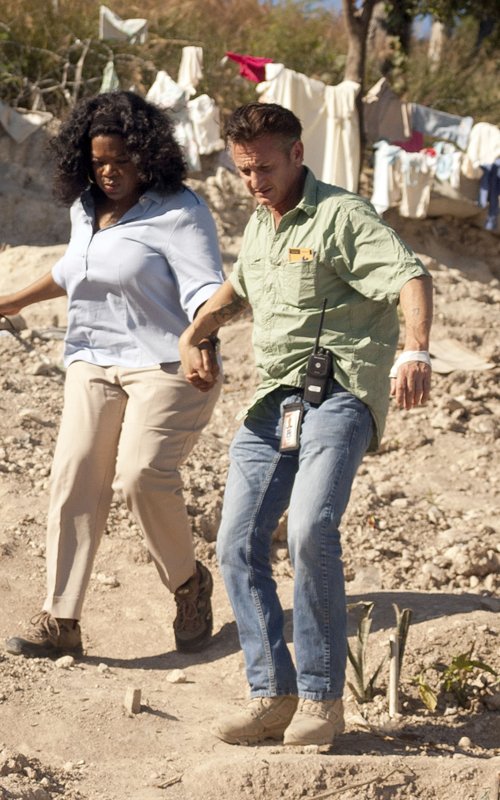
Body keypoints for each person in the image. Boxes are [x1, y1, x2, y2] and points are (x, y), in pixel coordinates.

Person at [178, 102, 433, 747]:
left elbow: (410, 275)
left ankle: (322, 698)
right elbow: (237, 289)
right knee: (236, 543)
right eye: (243, 170)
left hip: (338, 394)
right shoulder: (260, 224)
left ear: (297, 153)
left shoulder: (342, 216)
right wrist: (195, 334)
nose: (254, 181)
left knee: (311, 528)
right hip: (274, 404)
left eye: (264, 167)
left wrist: (416, 351)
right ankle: (272, 696)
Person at [1, 90, 225, 658]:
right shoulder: (84, 208)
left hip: (168, 362)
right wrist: (15, 300)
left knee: (141, 476)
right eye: (98, 161)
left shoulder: (180, 211)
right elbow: (75, 268)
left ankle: (188, 584)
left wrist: (203, 339)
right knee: (75, 474)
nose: (109, 172)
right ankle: (61, 619)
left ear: (148, 155)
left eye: (121, 160)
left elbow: (206, 287)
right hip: (93, 357)